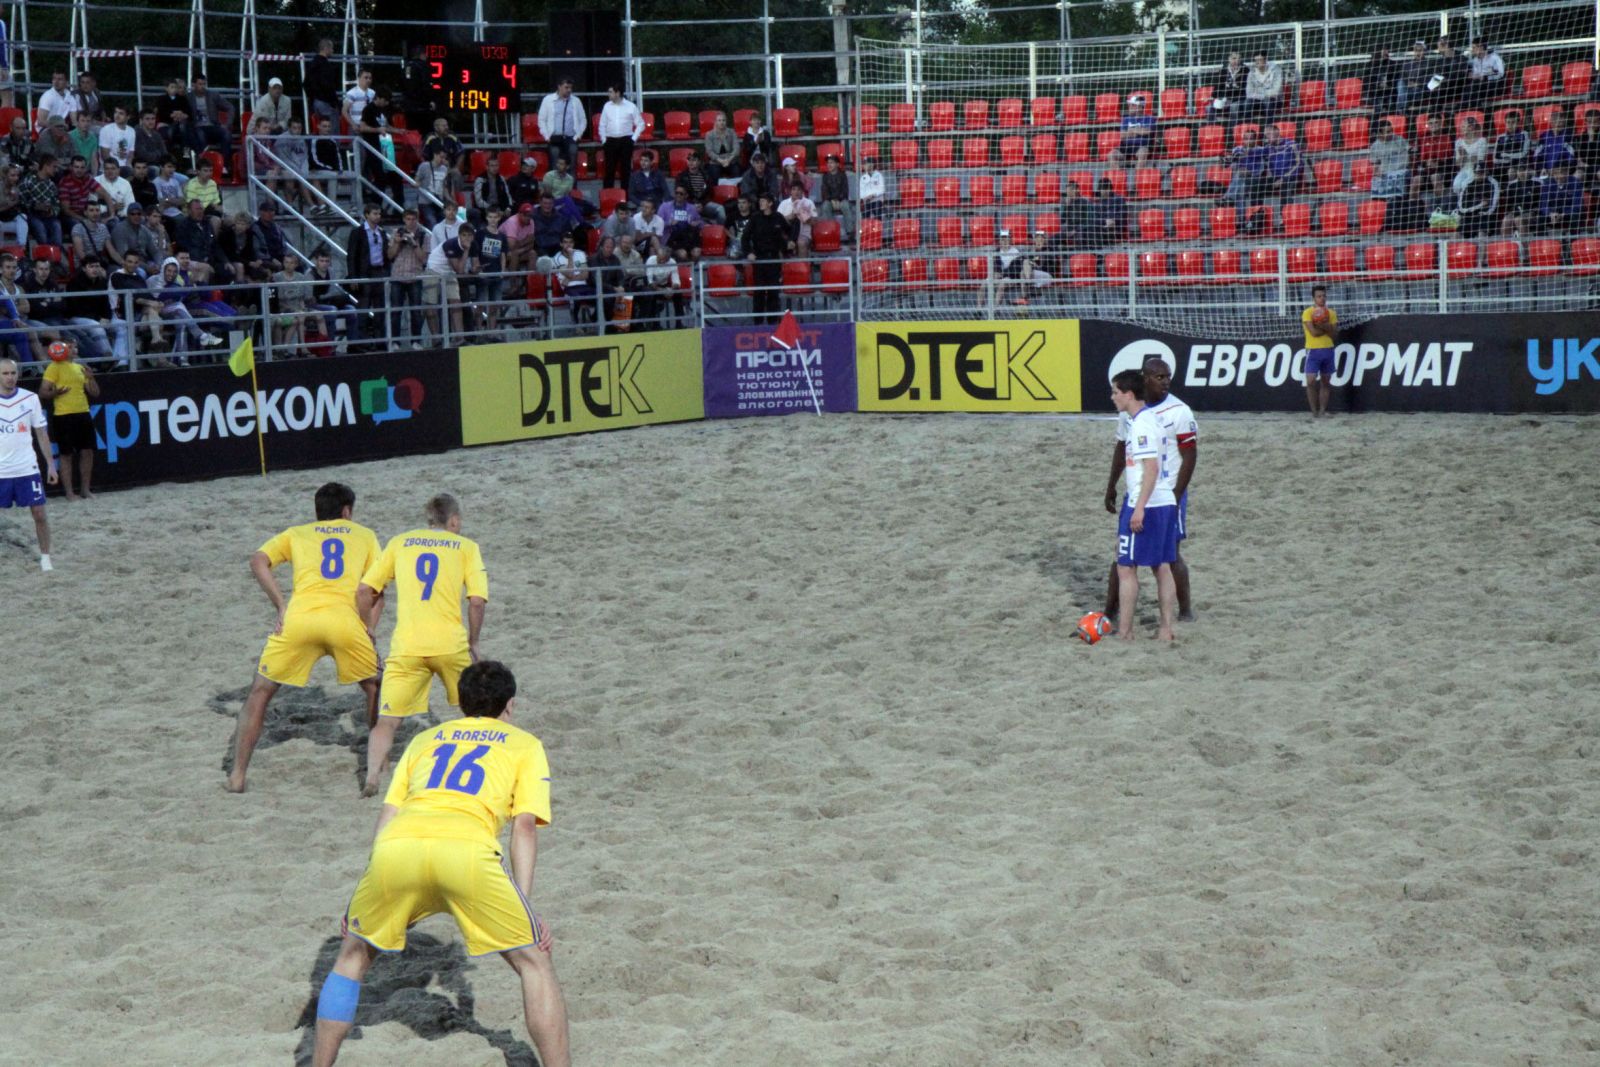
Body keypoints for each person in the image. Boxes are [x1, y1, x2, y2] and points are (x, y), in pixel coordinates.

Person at [309, 659, 569, 1067]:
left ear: (460, 702)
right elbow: (524, 829)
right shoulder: (525, 744)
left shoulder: (424, 740)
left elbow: (389, 814)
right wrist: (525, 905)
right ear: (510, 705)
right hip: (466, 854)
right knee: (534, 961)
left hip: (398, 849)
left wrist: (365, 887)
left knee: (352, 955)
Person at [227, 482, 383, 793]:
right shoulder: (365, 535)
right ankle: (374, 773)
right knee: (375, 687)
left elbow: (257, 560)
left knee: (259, 692)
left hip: (298, 621)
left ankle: (237, 776)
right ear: (347, 511)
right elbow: (373, 591)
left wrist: (280, 604)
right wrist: (369, 631)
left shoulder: (297, 533)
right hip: (344, 622)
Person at [355, 492, 488, 796]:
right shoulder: (466, 547)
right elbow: (477, 602)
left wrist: (368, 627)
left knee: (387, 720)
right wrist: (474, 641)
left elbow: (364, 591)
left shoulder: (400, 542)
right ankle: (479, 767)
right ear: (454, 520)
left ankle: (372, 777)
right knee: (476, 712)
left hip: (407, 646)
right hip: (449, 645)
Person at [1103, 357, 1197, 624]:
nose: (1166, 382)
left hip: (1165, 493)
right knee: (1125, 557)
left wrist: (1177, 495)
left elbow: (1190, 456)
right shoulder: (1129, 412)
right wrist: (1111, 485)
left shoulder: (1179, 411)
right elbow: (1122, 448)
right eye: (1159, 377)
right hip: (1138, 492)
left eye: (1167, 377)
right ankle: (1110, 611)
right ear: (1145, 379)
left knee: (1167, 556)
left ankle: (1185, 610)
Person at [1108, 369, 1177, 642]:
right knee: (1162, 566)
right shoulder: (1153, 419)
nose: (1112, 397)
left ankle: (1125, 632)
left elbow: (1151, 468)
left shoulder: (1140, 425)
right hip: (1165, 500)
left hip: (1146, 503)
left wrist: (1138, 508)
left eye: (1115, 392)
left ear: (1128, 394)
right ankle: (1166, 629)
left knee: (1125, 567)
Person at [0, 357, 57, 570]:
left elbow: (41, 433)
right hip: (1, 470)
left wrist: (50, 464)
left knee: (39, 514)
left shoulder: (30, 398)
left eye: (13, 373)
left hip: (26, 467)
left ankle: (45, 558)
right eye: (5, 373)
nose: (10, 377)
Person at [37, 340, 98, 499]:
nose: (74, 349)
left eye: (75, 346)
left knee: (87, 452)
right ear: (62, 349)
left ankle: (85, 490)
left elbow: (95, 393)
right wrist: (55, 393)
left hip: (83, 413)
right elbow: (43, 392)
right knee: (66, 454)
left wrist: (91, 378)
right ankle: (69, 492)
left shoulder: (80, 367)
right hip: (63, 415)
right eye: (70, 347)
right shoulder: (54, 367)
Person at [599, 83, 645, 190]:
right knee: (609, 170)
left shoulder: (631, 106)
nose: (608, 94)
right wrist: (604, 140)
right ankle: (608, 195)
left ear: (617, 93)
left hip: (626, 140)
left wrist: (633, 139)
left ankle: (626, 195)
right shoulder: (607, 106)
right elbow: (602, 125)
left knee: (625, 170)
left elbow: (640, 124)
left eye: (610, 92)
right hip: (610, 140)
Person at [1302, 284, 1337, 418]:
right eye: (1319, 296)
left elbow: (1334, 335)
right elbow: (1314, 333)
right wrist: (1327, 327)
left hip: (1328, 349)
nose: (1322, 298)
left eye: (1323, 296)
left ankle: (1322, 410)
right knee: (1310, 381)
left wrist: (1323, 325)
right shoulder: (1308, 313)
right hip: (1313, 350)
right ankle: (1314, 412)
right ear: (1314, 298)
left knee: (1326, 381)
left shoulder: (1331, 313)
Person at [537, 77, 585, 173]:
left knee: (572, 158)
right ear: (559, 87)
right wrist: (546, 136)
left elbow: (582, 120)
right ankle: (556, 181)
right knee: (555, 160)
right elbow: (541, 120)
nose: (569, 90)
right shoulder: (548, 100)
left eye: (570, 88)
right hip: (554, 136)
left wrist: (578, 135)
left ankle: (571, 182)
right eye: (566, 87)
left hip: (571, 137)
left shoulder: (576, 101)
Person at [704, 112, 740, 180]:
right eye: (719, 120)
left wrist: (729, 160)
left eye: (723, 120)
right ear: (716, 122)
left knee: (736, 171)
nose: (722, 122)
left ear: (726, 122)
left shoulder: (732, 132)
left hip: (730, 160)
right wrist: (721, 161)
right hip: (715, 162)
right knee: (714, 174)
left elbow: (737, 148)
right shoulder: (709, 134)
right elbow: (709, 151)